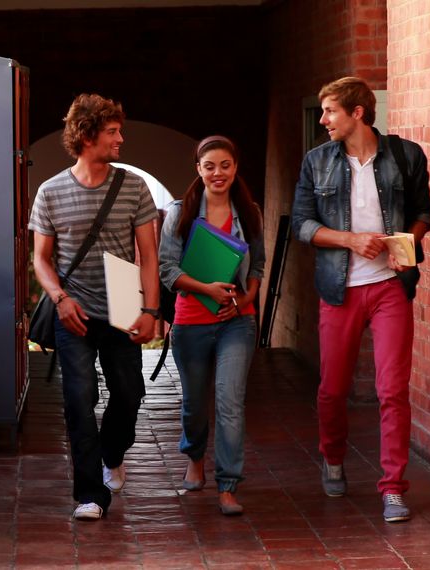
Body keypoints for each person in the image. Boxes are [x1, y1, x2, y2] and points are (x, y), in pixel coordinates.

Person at [291, 77, 430, 523]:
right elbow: (302, 224)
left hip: (390, 287)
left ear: (357, 113)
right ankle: (333, 459)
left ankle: (392, 488)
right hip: (340, 288)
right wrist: (351, 240)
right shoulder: (317, 162)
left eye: (330, 111)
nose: (323, 120)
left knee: (392, 389)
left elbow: (422, 212)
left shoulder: (405, 155)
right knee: (333, 389)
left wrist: (407, 245)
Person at [28, 93, 160, 521]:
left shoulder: (133, 186)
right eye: (112, 132)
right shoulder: (51, 192)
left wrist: (152, 312)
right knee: (78, 398)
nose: (121, 138)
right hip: (74, 312)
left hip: (123, 306)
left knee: (129, 394)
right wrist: (60, 300)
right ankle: (89, 494)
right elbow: (41, 260)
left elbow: (150, 256)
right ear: (87, 136)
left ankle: (112, 452)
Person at [158, 135, 265, 516]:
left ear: (235, 168)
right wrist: (208, 289)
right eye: (210, 166)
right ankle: (194, 458)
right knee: (194, 404)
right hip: (192, 320)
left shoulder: (249, 211)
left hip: (237, 321)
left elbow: (257, 267)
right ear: (198, 170)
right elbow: (167, 270)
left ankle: (228, 485)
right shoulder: (181, 213)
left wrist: (245, 300)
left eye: (225, 165)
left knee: (230, 401)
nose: (218, 173)